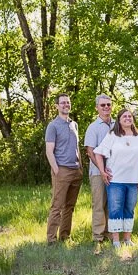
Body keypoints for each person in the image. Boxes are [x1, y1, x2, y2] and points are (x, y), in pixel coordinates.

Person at [94, 109, 138, 248]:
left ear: (133, 119)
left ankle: (127, 239)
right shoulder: (112, 135)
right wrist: (102, 171)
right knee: (115, 209)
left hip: (133, 180)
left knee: (129, 209)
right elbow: (98, 153)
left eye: (130, 116)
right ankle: (116, 240)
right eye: (124, 116)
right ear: (119, 120)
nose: (127, 118)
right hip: (116, 180)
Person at [45, 93, 83, 244]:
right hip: (61, 170)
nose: (66, 105)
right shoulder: (53, 126)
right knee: (57, 206)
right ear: (56, 106)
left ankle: (65, 236)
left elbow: (77, 147)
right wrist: (56, 170)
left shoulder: (74, 124)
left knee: (69, 206)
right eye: (62, 103)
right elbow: (49, 151)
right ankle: (51, 240)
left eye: (68, 102)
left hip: (76, 171)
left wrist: (80, 167)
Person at [84, 94, 114, 247]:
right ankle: (98, 236)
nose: (106, 107)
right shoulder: (93, 127)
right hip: (98, 173)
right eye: (103, 105)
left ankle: (110, 233)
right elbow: (90, 151)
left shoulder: (117, 125)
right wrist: (102, 171)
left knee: (112, 204)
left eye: (108, 104)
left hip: (115, 172)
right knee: (99, 204)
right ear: (97, 108)